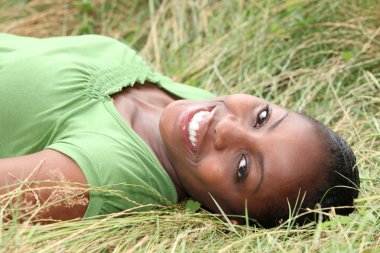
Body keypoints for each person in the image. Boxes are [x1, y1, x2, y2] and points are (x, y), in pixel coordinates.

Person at [0, 33, 360, 227]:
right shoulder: (192, 105)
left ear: (228, 214)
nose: (228, 129)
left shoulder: (108, 172)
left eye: (242, 168)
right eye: (263, 117)